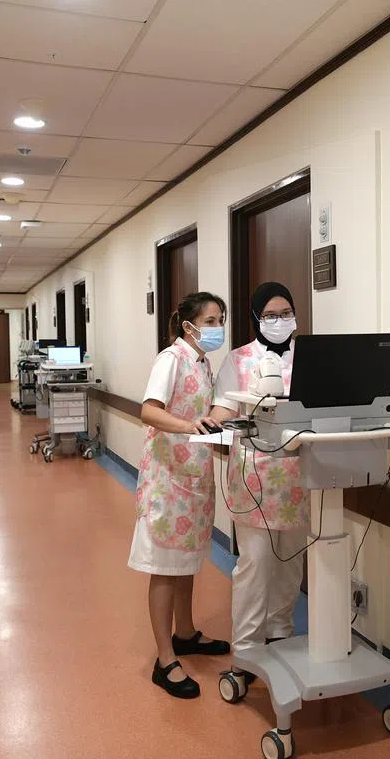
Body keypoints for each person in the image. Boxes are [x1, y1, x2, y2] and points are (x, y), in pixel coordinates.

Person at [128, 292, 231, 699]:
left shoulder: (202, 363)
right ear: (189, 325)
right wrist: (190, 428)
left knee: (186, 561)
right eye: (211, 320)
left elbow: (205, 410)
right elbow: (149, 411)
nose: (217, 326)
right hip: (168, 478)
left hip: (193, 472)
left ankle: (186, 633)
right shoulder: (170, 360)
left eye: (220, 319)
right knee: (164, 565)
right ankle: (165, 658)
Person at [210, 282, 310, 686]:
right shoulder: (239, 360)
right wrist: (211, 424)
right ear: (255, 319)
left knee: (290, 566)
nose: (280, 320)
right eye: (270, 314)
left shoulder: (308, 357)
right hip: (255, 480)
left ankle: (281, 636)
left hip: (300, 480)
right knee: (255, 567)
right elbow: (222, 409)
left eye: (286, 312)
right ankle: (247, 650)